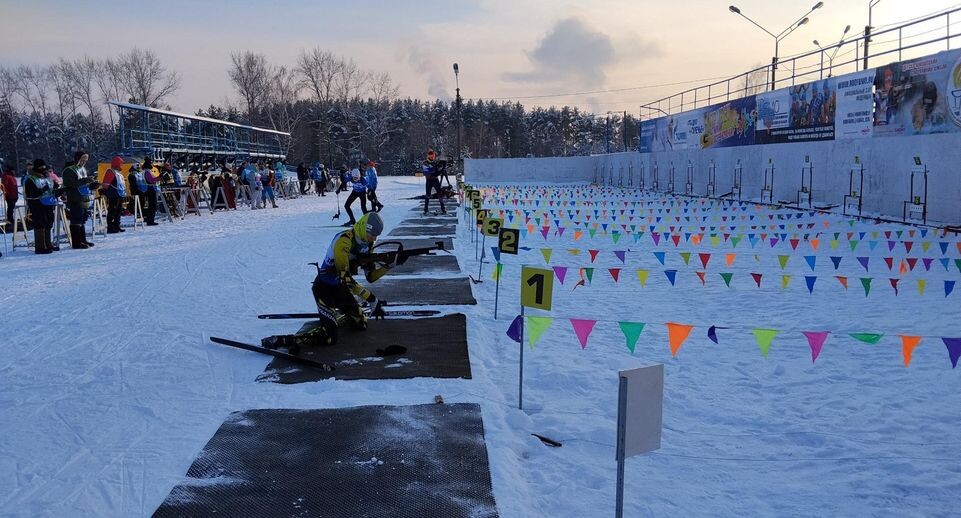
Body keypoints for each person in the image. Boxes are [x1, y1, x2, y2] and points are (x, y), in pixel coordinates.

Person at [263, 212, 390, 348]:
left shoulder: (366, 245)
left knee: (361, 324)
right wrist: (371, 299)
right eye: (373, 235)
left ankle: (334, 315)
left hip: (340, 289)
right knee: (329, 338)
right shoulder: (344, 241)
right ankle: (286, 340)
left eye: (376, 236)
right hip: (324, 288)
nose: (374, 239)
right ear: (364, 228)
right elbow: (346, 280)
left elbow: (370, 277)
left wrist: (390, 265)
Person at [62, 150, 99, 249]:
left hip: (84, 197)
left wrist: (92, 185)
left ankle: (83, 239)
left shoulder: (82, 169)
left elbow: (83, 184)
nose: (84, 162)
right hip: (74, 198)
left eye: (85, 160)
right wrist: (86, 180)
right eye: (82, 159)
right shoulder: (69, 170)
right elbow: (70, 184)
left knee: (82, 220)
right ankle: (76, 242)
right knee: (76, 220)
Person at [23, 159, 58, 254]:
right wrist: (42, 190)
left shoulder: (47, 177)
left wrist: (58, 190)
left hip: (48, 203)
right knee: (40, 223)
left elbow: (54, 187)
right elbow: (31, 194)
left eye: (44, 167)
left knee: (48, 222)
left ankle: (48, 244)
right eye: (41, 167)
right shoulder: (30, 179)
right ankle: (40, 247)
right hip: (37, 204)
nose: (43, 169)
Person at [100, 156, 127, 233]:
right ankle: (111, 227)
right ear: (117, 164)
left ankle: (116, 225)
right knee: (112, 211)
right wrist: (105, 191)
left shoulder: (118, 173)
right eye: (121, 164)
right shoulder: (110, 172)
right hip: (113, 195)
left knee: (118, 211)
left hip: (119, 194)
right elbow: (106, 184)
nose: (122, 165)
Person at [422, 149, 446, 215]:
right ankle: (425, 210)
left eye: (433, 156)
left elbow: (438, 171)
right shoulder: (425, 162)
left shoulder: (436, 162)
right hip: (429, 180)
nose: (432, 157)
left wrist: (442, 168)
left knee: (439, 194)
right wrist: (437, 170)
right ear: (428, 156)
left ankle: (443, 209)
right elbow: (428, 173)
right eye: (431, 156)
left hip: (435, 180)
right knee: (428, 195)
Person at [2, 161, 18, 231]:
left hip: (14, 195)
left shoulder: (11, 176)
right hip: (10, 195)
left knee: (12, 207)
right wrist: (7, 193)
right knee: (10, 208)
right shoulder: (6, 176)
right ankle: (10, 219)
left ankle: (11, 218)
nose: (14, 172)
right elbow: (4, 186)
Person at [142, 157, 159, 225]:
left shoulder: (145, 171)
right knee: (152, 205)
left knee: (151, 205)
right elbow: (151, 180)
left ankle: (150, 219)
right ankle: (150, 220)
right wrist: (159, 178)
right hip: (150, 189)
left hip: (148, 189)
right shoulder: (147, 171)